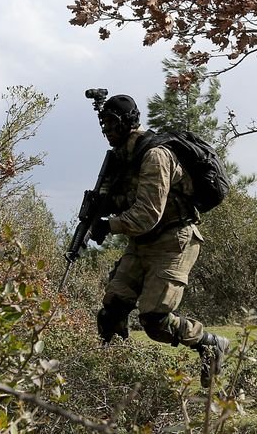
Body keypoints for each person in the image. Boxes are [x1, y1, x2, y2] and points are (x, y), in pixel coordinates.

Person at [89, 93, 230, 388]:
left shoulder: (155, 155)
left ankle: (210, 344)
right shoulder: (121, 158)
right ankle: (111, 379)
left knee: (155, 320)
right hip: (142, 242)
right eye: (104, 125)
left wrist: (109, 226)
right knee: (112, 310)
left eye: (113, 123)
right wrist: (100, 207)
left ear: (128, 122)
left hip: (173, 241)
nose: (108, 130)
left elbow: (147, 214)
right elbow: (123, 200)